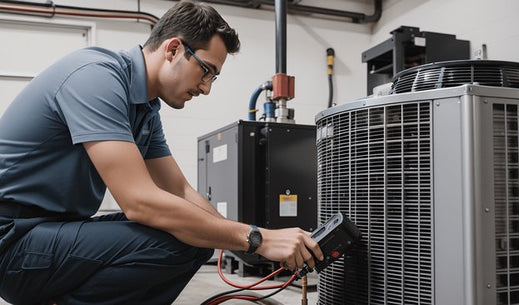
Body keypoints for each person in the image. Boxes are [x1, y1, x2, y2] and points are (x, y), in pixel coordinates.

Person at [0, 1, 323, 304]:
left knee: (195, 236)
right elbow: (140, 202)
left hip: (49, 234)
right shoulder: (96, 76)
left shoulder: (145, 109)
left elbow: (180, 191)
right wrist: (257, 238)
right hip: (12, 243)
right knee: (178, 237)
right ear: (173, 49)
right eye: (206, 71)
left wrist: (251, 243)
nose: (207, 88)